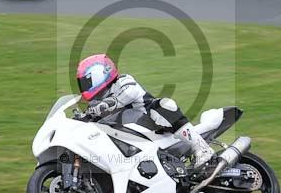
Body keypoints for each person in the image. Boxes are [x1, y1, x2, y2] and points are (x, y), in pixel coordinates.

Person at [76, 53, 215, 169]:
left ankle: (201, 148)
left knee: (164, 105)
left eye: (86, 82)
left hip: (155, 129)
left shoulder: (123, 82)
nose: (83, 88)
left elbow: (128, 94)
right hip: (130, 144)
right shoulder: (95, 105)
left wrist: (99, 108)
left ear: (101, 74)